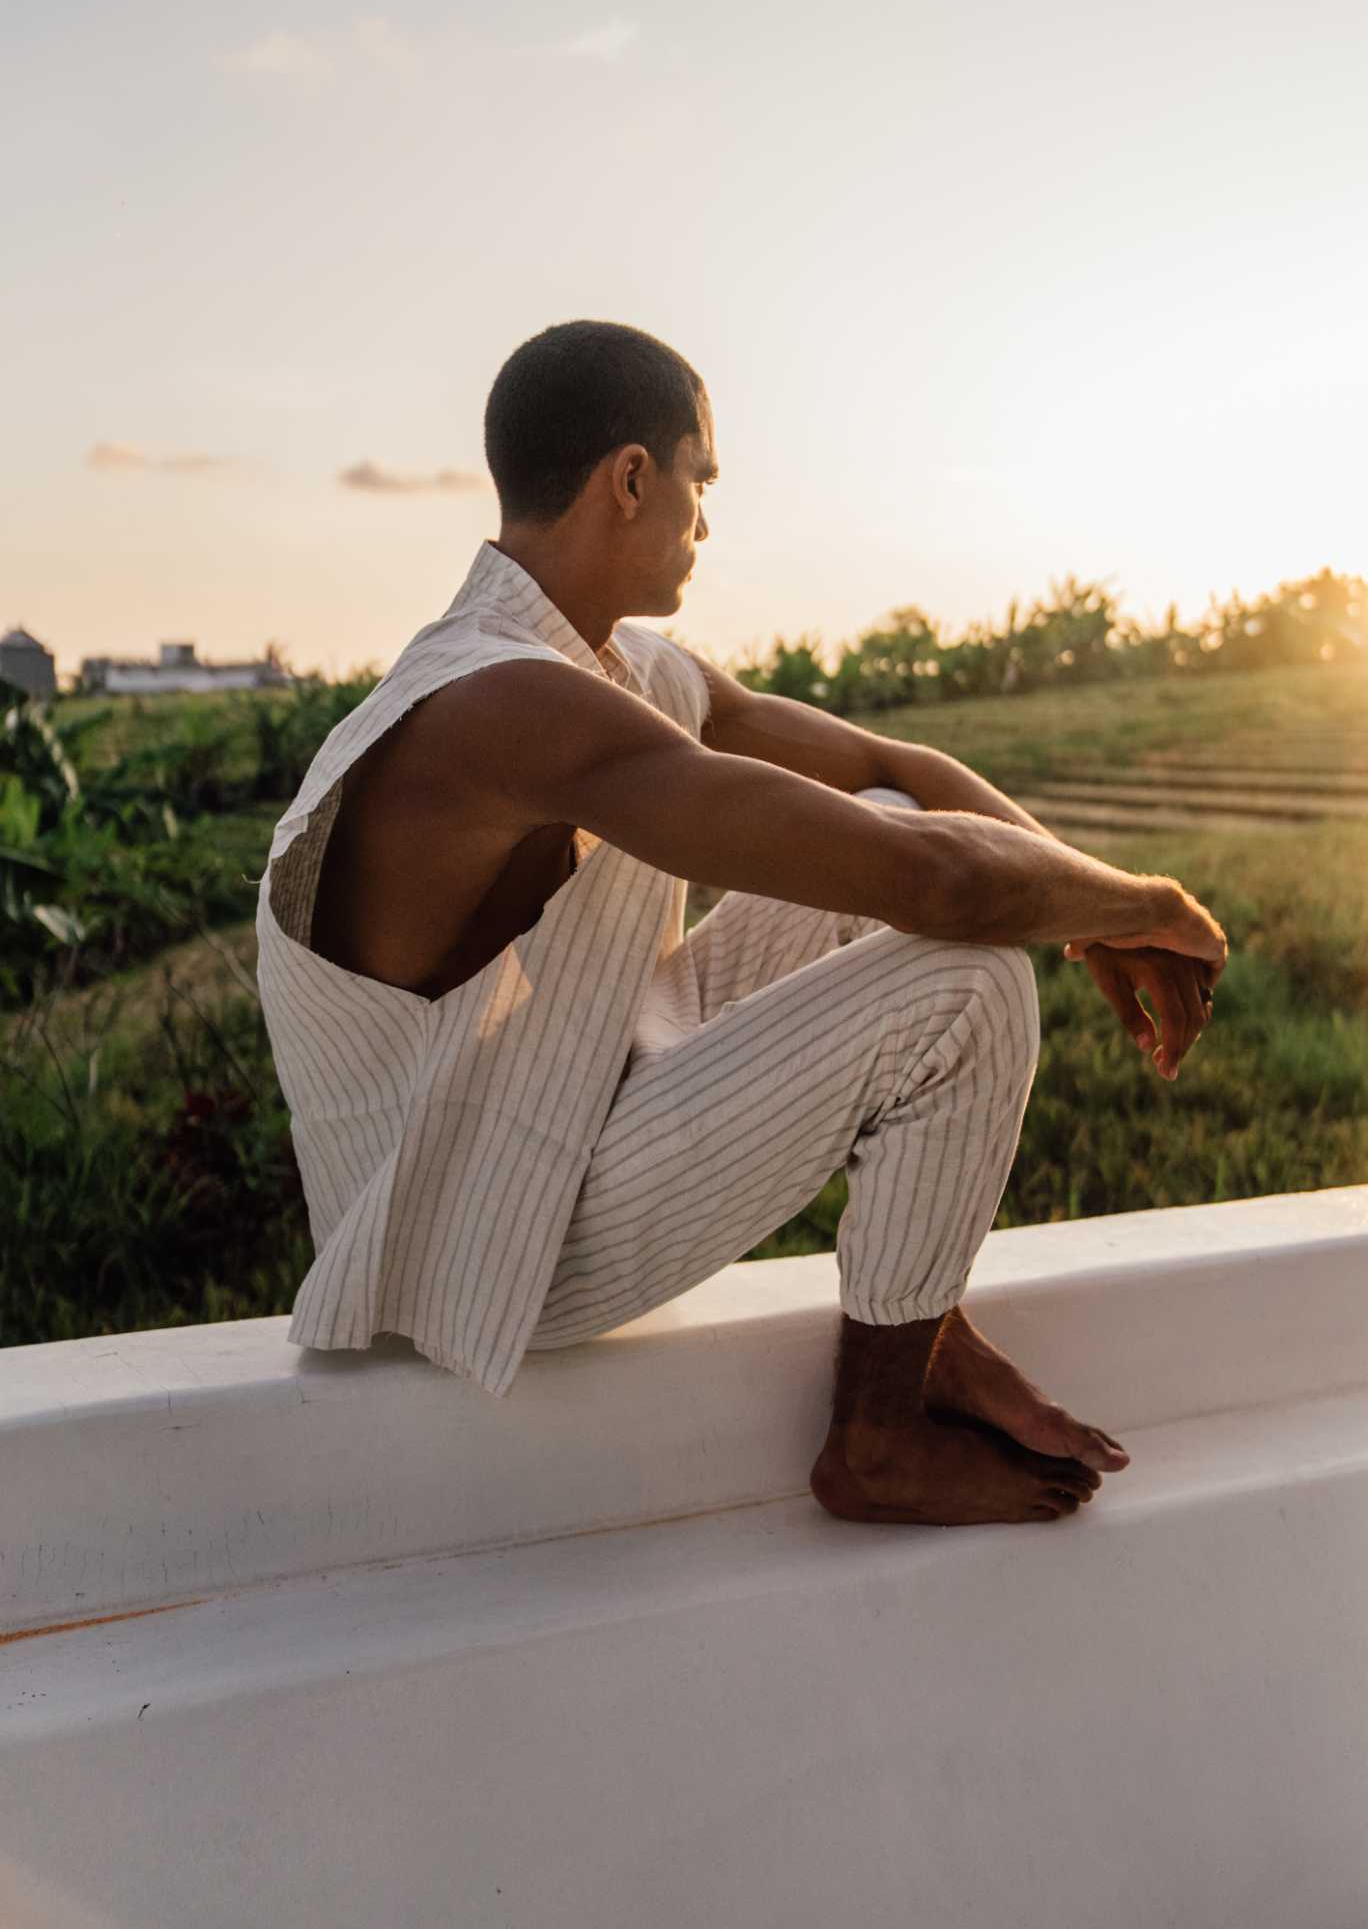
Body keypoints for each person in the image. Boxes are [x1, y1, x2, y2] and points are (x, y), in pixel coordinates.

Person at [255, 318, 1226, 1529]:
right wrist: (1152, 906)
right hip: (490, 1226)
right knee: (964, 985)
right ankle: (873, 1436)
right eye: (699, 482)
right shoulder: (498, 701)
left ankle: (929, 1330)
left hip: (583, 1083)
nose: (706, 523)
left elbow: (892, 766)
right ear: (630, 479)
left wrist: (1096, 919)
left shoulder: (609, 666)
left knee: (864, 809)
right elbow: (942, 887)